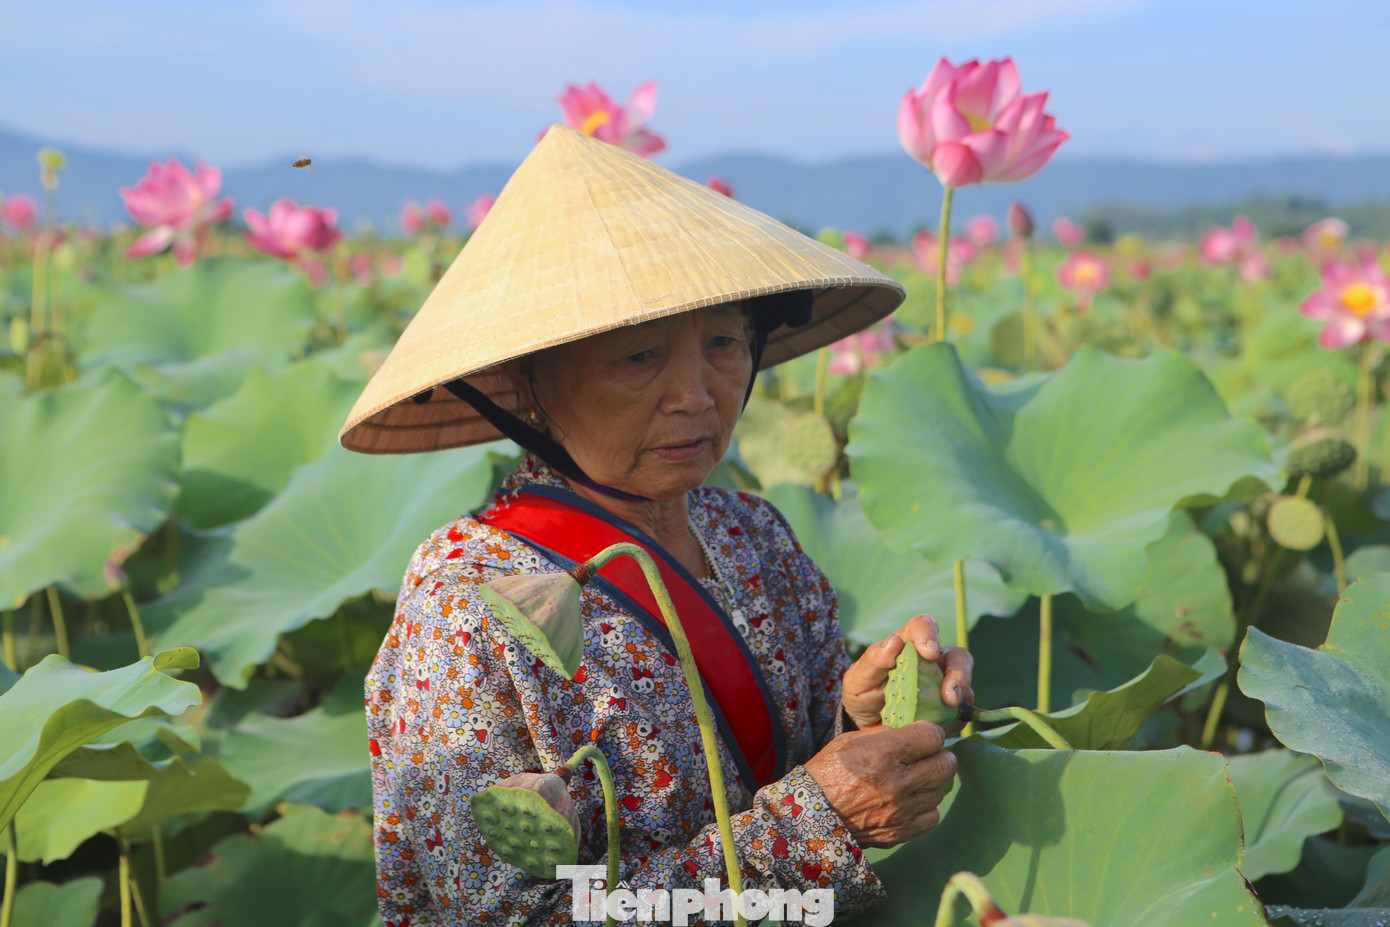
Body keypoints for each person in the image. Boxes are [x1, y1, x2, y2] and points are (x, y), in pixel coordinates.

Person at [342, 125, 974, 926]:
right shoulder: (466, 599)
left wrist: (862, 711)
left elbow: (794, 762)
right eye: (639, 357)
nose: (695, 394)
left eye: (723, 344)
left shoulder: (750, 530)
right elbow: (511, 915)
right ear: (526, 386)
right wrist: (819, 825)